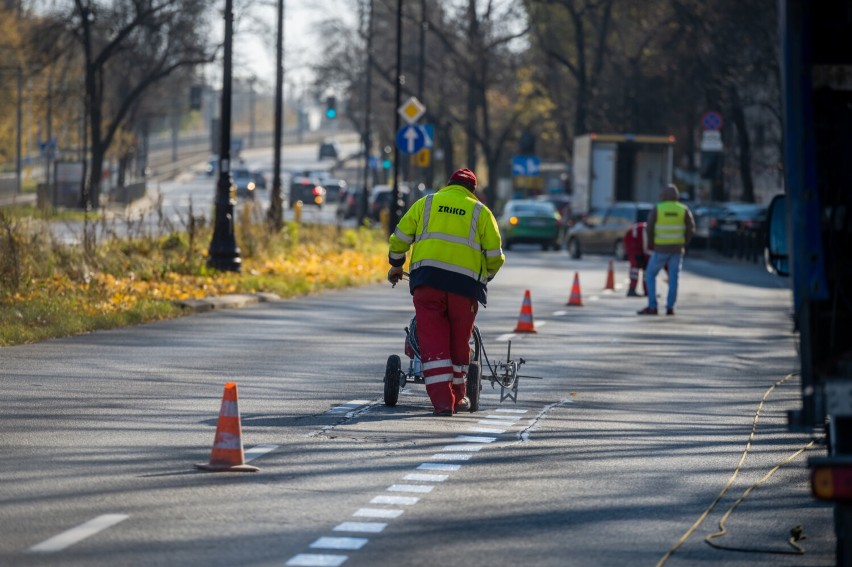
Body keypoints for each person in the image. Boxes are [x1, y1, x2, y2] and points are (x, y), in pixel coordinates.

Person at [388, 168, 505, 416]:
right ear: (472, 191)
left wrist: (396, 265)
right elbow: (495, 256)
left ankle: (443, 403)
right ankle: (458, 396)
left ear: (448, 185)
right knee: (459, 341)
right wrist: (484, 278)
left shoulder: (426, 203)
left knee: (434, 341)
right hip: (464, 288)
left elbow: (399, 237)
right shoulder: (481, 212)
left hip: (427, 281)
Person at [638, 184, 695, 316]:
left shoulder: (658, 209)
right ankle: (670, 307)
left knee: (650, 275)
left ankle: (652, 306)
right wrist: (684, 242)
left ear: (662, 195)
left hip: (661, 249)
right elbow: (691, 228)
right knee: (674, 278)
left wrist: (653, 242)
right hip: (677, 249)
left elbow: (649, 228)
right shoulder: (683, 209)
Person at [623, 220, 650, 297]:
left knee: (646, 269)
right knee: (635, 268)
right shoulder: (645, 230)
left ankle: (647, 290)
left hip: (636, 247)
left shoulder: (645, 229)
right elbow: (646, 247)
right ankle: (632, 289)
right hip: (634, 247)